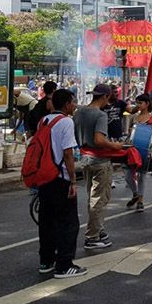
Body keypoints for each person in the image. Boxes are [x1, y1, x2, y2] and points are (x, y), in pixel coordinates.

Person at [35, 89, 87, 278]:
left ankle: (46, 261)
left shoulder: (44, 120)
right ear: (66, 104)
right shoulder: (66, 121)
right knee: (68, 223)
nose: (74, 105)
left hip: (44, 178)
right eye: (73, 102)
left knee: (47, 222)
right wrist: (73, 180)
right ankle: (64, 265)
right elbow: (67, 153)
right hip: (60, 179)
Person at [74, 83, 124, 250]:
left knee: (92, 197)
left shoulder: (79, 112)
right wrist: (115, 146)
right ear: (105, 97)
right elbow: (99, 140)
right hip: (100, 161)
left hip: (85, 159)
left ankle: (99, 228)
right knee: (99, 199)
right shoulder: (100, 115)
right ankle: (92, 236)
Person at [125, 94, 152, 212]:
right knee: (128, 175)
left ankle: (140, 201)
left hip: (144, 151)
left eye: (140, 103)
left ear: (147, 104)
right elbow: (129, 134)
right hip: (131, 150)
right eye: (136, 103)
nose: (137, 105)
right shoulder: (134, 117)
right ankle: (135, 194)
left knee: (142, 176)